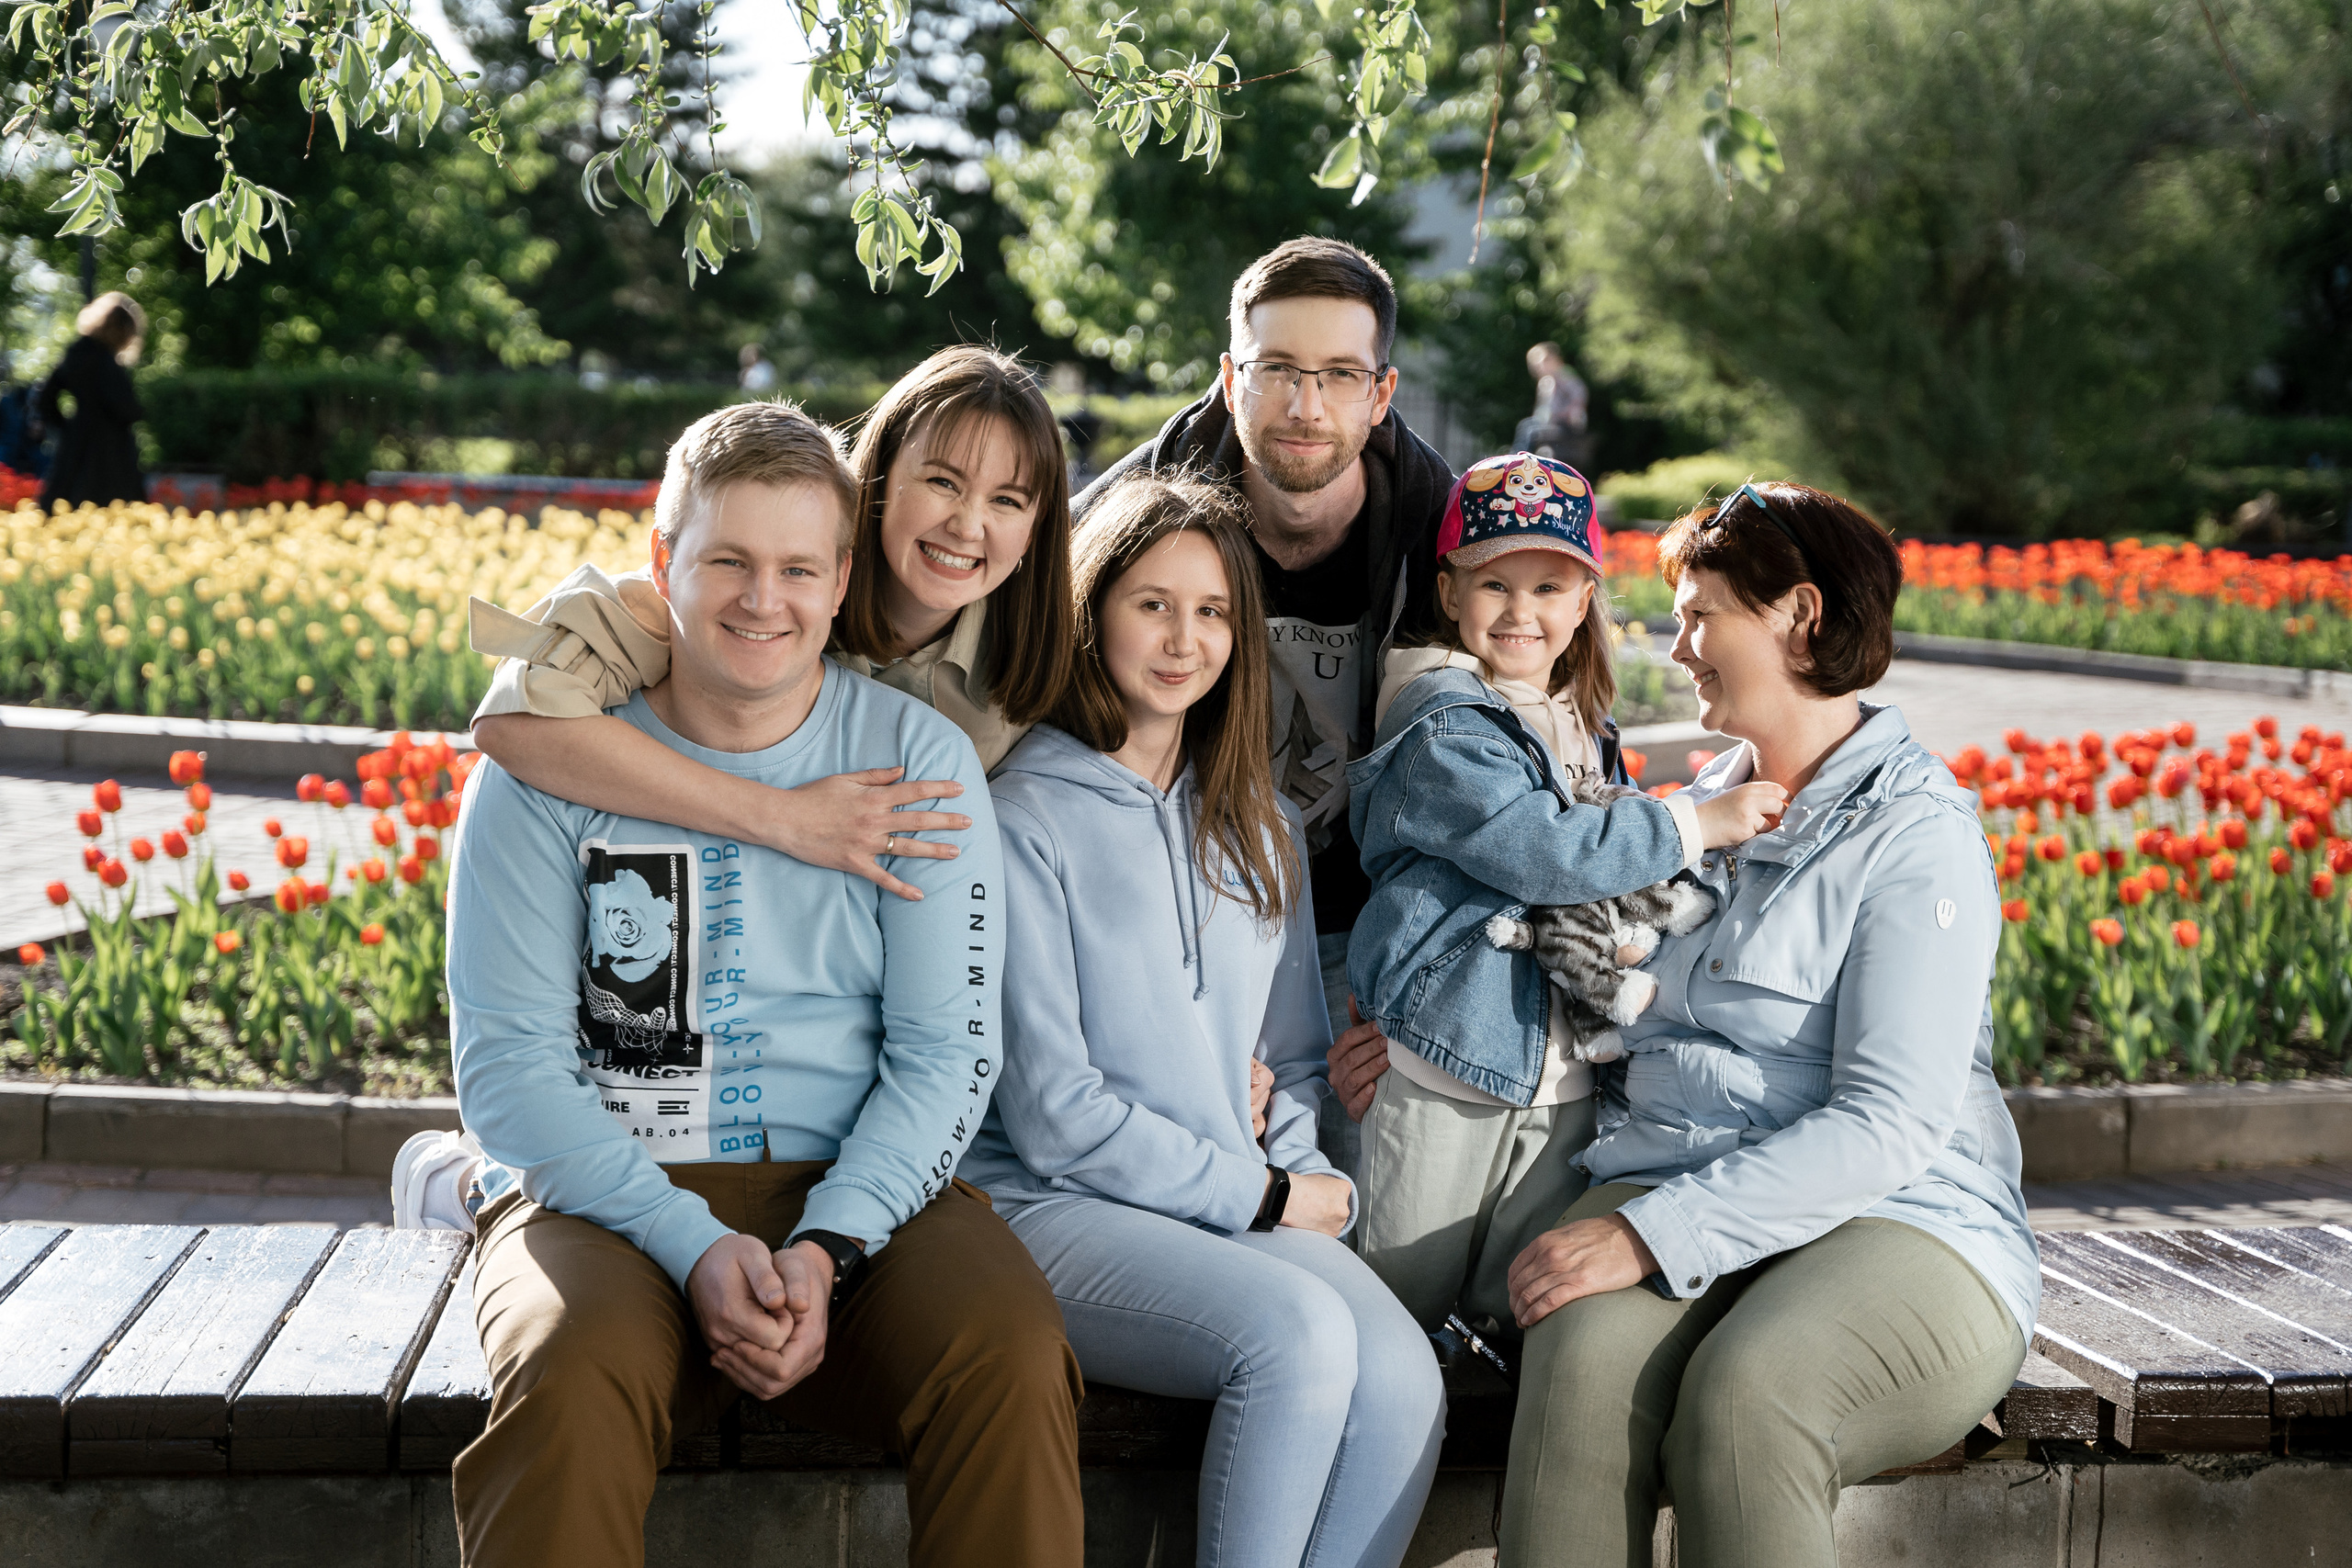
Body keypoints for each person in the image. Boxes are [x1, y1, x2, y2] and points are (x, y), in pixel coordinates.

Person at [442, 400, 1084, 1568]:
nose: (761, 598)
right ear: (660, 562)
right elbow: (507, 1072)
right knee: (565, 1377)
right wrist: (689, 1243)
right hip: (610, 1195)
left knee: (1008, 1349)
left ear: (842, 582)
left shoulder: (917, 759)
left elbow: (946, 1053)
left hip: (859, 1192)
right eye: (726, 560)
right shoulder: (547, 766)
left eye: (797, 567)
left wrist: (831, 1246)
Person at [1497, 483, 2037, 1567]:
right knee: (1578, 1353)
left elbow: (1890, 1123)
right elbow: (1597, 999)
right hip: (1680, 1176)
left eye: (1701, 615)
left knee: (1750, 1398)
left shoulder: (1914, 836)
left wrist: (1650, 1234)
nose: (1678, 644)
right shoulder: (1699, 813)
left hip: (1908, 1219)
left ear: (1797, 615)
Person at [962, 470, 1444, 1568]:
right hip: (1045, 1206)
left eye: (1215, 610)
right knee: (1298, 1341)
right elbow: (1053, 1114)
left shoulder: (1259, 823)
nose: (1185, 639)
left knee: (1406, 1379)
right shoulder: (1018, 817)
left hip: (1223, 1199)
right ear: (1093, 612)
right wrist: (1267, 1193)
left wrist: (1289, 1158)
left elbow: (1289, 1056)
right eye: (1152, 604)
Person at [1339, 452, 1783, 1345]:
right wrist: (1697, 823)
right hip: (1446, 1059)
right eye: (1494, 583)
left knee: (1519, 1308)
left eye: (1549, 586)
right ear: (1450, 590)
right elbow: (1543, 853)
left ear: (1583, 599)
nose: (1520, 611)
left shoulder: (1580, 722)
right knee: (1394, 1301)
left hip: (1560, 1069)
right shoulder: (1441, 722)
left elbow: (1613, 887)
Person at [1077, 237, 1457, 1167]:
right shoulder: (1131, 520)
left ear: (1381, 393)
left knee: (1377, 1167)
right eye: (1277, 369)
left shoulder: (1438, 536)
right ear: (1229, 377)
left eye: (1337, 375)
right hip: (1190, 907)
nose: (1303, 405)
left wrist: (1415, 954)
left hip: (1369, 917)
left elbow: (1541, 714)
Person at [462, 344, 1080, 896]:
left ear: (1035, 524)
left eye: (1006, 500)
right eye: (944, 482)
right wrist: (784, 817)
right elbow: (514, 724)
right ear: (880, 477)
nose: (969, 525)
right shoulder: (750, 609)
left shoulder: (1045, 664)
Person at [39, 292, 146, 510]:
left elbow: (45, 398)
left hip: (76, 444)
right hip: (110, 450)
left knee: (66, 505)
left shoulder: (76, 354)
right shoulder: (105, 362)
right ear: (121, 330)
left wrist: (66, 428)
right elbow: (125, 408)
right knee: (113, 507)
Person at [1513, 343, 1589, 473]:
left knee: (1531, 431)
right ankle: (1515, 459)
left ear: (1553, 359)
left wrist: (1564, 413)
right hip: (1551, 423)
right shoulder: (1547, 381)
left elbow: (1579, 396)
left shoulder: (1564, 376)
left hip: (1566, 425)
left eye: (1543, 362)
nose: (1539, 368)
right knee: (1525, 425)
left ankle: (1520, 464)